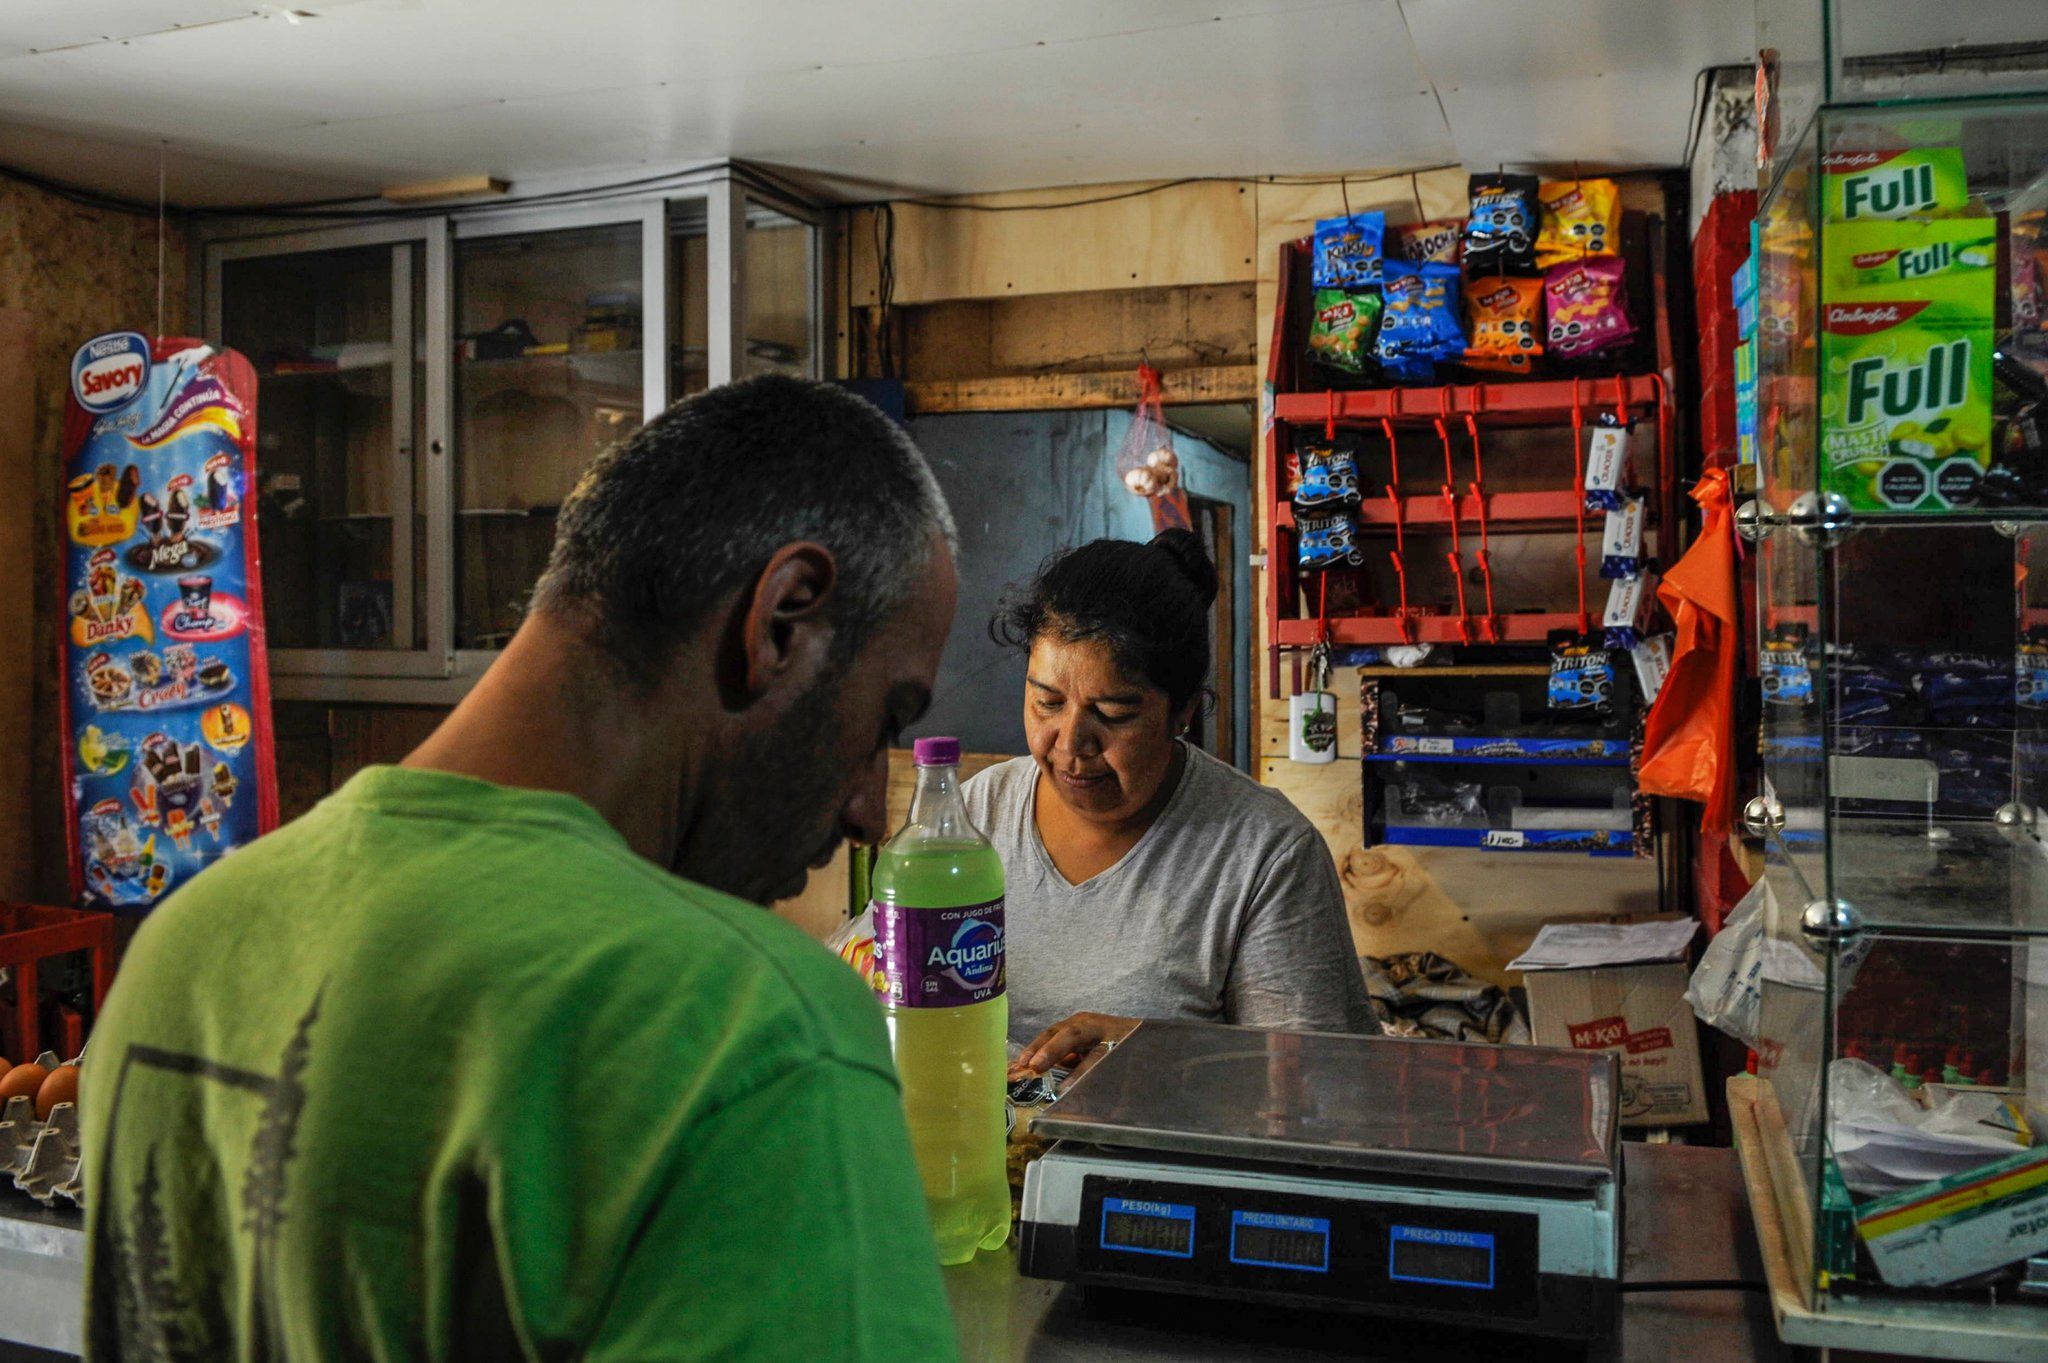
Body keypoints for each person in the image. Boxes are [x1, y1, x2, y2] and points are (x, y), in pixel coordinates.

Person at [83, 376, 965, 1362]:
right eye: (884, 719)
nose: (861, 809)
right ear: (782, 620)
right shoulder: (752, 1039)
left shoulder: (185, 949)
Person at [966, 530, 1373, 1077]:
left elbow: (1313, 1085)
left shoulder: (1265, 855)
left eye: (1112, 713)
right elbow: (875, 974)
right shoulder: (975, 815)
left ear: (1182, 713)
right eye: (1047, 702)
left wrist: (1156, 1057)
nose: (1069, 744)